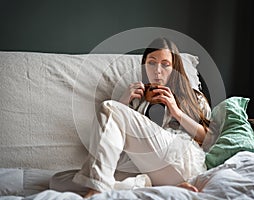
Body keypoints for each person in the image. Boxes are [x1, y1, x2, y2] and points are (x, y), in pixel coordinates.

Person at [50, 37, 211, 198]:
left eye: (165, 64)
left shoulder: (193, 96)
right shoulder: (137, 99)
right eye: (152, 63)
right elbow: (112, 139)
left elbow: (207, 138)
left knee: (109, 107)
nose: (158, 70)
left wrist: (176, 112)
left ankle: (98, 191)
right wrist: (123, 102)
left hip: (180, 162)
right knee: (58, 181)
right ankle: (149, 186)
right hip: (143, 168)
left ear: (175, 67)